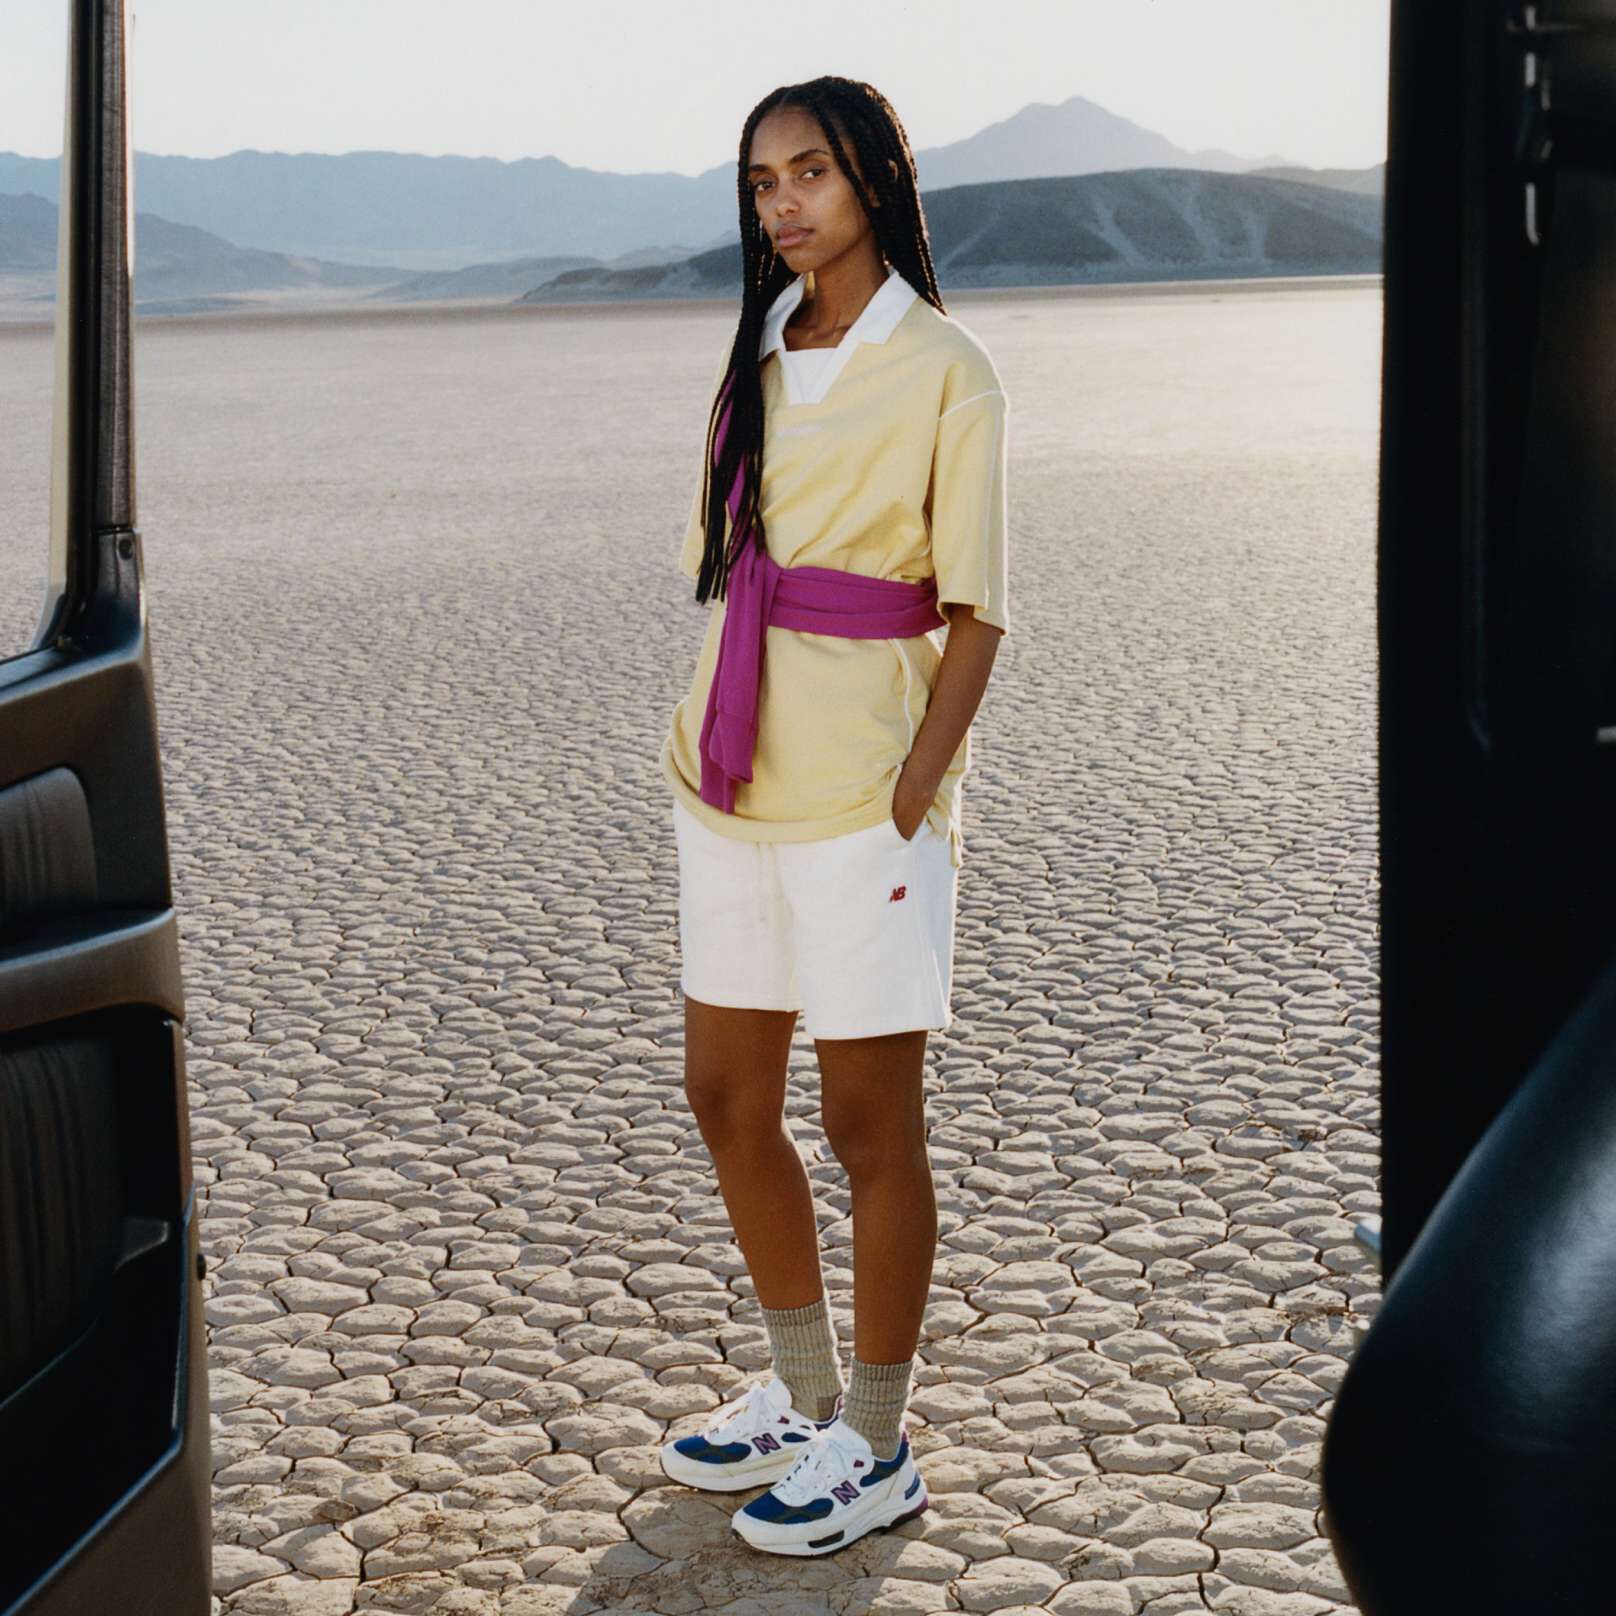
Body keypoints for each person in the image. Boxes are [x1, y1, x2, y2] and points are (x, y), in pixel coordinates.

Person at [655, 75, 1010, 1558]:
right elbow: (723, 562)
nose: (785, 203)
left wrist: (914, 792)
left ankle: (877, 1438)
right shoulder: (753, 353)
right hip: (726, 776)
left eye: (809, 172)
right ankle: (802, 1401)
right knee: (727, 1101)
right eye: (760, 183)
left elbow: (979, 616)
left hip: (864, 795)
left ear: (872, 176)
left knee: (869, 1124)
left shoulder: (947, 367)